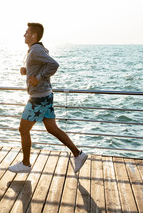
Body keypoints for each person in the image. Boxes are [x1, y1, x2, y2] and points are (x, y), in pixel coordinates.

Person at [8, 23, 87, 174]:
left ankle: (25, 164)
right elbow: (43, 65)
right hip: (45, 95)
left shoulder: (36, 49)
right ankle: (78, 154)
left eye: (26, 32)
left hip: (38, 98)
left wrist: (38, 77)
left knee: (23, 129)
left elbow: (54, 65)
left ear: (33, 35)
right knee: (52, 128)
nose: (23, 35)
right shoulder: (36, 49)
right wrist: (28, 71)